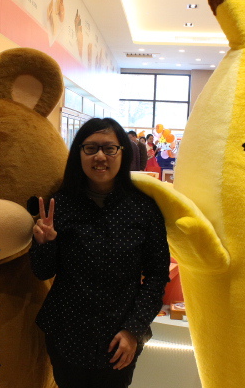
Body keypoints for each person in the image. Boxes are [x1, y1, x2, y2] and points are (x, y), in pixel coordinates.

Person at [30, 117, 170, 388]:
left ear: (123, 153)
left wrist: (133, 330)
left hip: (119, 338)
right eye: (91, 148)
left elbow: (156, 276)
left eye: (109, 148)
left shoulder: (144, 209)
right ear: (79, 154)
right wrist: (44, 243)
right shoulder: (60, 204)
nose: (100, 156)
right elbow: (42, 272)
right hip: (66, 332)